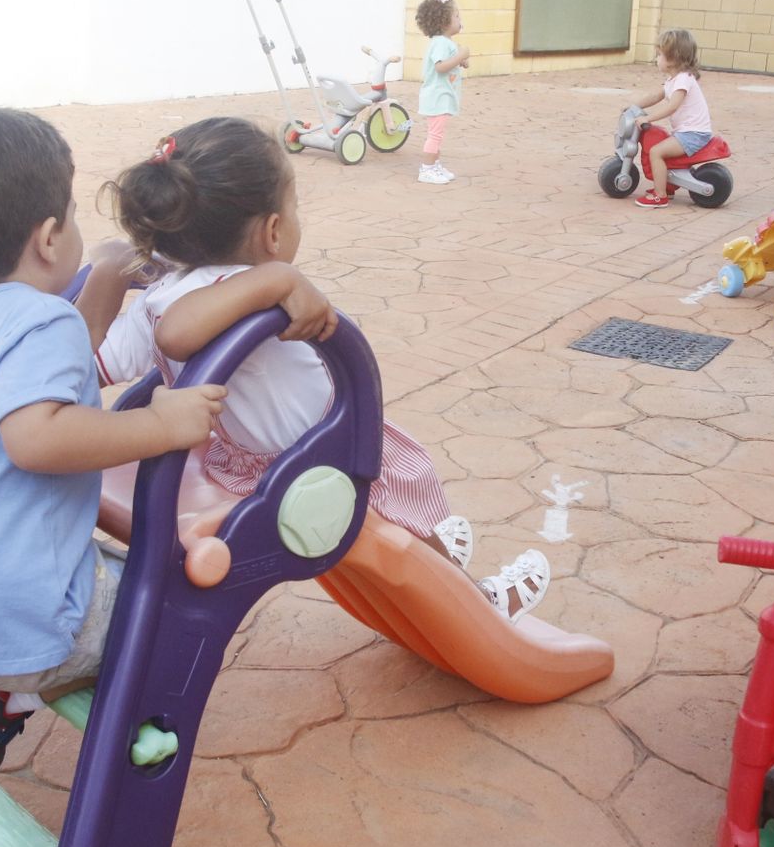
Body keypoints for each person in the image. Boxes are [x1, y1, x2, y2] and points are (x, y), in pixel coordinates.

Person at [0, 108, 227, 770]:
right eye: (72, 209)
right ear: (48, 239)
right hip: (11, 624)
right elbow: (37, 437)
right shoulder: (38, 324)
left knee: (96, 559)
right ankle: (26, 692)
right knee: (178, 597)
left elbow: (63, 360)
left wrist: (106, 280)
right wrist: (160, 423)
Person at [93, 116, 552, 621]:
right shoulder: (237, 287)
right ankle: (476, 603)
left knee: (396, 518)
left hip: (251, 461)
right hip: (319, 457)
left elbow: (95, 366)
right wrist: (277, 278)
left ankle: (436, 552)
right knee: (400, 511)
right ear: (273, 231)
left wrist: (106, 275)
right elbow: (177, 333)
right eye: (295, 208)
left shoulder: (158, 294)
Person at [632, 28, 714, 208]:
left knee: (656, 151)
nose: (657, 59)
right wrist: (634, 106)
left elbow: (673, 106)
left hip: (693, 134)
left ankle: (660, 195)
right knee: (659, 145)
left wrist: (648, 119)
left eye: (660, 55)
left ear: (673, 58)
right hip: (687, 132)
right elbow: (655, 96)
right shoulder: (673, 80)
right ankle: (667, 186)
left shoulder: (684, 79)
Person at [414, 0, 469, 184]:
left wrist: (461, 60)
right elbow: (440, 67)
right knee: (435, 134)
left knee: (438, 133)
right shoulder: (440, 43)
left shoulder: (445, 43)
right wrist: (460, 56)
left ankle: (434, 166)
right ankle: (427, 169)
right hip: (437, 96)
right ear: (445, 22)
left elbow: (450, 63)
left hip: (442, 96)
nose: (459, 19)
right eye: (456, 16)